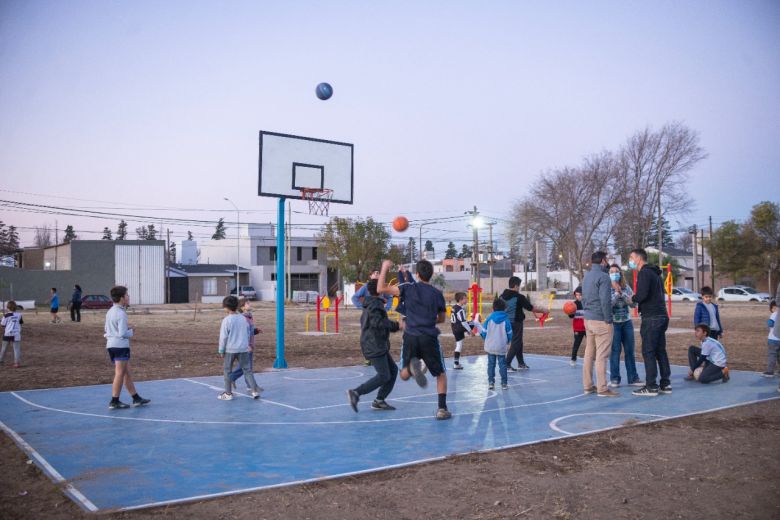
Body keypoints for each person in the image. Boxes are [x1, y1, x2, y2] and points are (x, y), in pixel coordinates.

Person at [377, 258, 451, 420]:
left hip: (410, 336)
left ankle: (410, 369)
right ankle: (442, 409)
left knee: (403, 374)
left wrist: (384, 267)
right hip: (428, 337)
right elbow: (441, 319)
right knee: (440, 374)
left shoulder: (407, 288)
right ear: (431, 275)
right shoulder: (437, 294)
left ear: (417, 274)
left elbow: (380, 288)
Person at [347, 279, 402, 412]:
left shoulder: (371, 303)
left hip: (375, 344)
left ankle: (379, 400)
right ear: (379, 290)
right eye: (383, 287)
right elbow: (379, 323)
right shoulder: (375, 305)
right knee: (384, 375)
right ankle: (356, 392)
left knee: (393, 371)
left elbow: (377, 322)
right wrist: (397, 325)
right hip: (374, 345)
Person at [630, 248, 672, 396]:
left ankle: (651, 386)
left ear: (639, 259)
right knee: (660, 350)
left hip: (652, 318)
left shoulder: (645, 273)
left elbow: (642, 295)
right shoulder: (655, 273)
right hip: (662, 316)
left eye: (632, 258)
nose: (631, 261)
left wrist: (631, 299)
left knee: (648, 351)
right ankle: (665, 383)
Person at [104, 286, 150, 409]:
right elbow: (122, 334)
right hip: (120, 346)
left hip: (111, 345)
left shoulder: (110, 311)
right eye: (127, 295)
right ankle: (114, 401)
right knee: (120, 373)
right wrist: (131, 331)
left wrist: (125, 328)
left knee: (126, 373)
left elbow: (108, 329)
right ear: (121, 298)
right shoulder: (121, 313)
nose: (128, 297)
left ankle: (136, 398)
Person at [581, 251, 619, 397]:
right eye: (607, 259)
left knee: (589, 354)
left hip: (588, 319)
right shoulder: (604, 277)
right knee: (601, 356)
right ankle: (602, 388)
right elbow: (605, 301)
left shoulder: (587, 276)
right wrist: (608, 319)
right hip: (601, 320)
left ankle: (588, 386)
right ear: (603, 261)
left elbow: (583, 299)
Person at [217, 295, 261, 401]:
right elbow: (247, 333)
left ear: (226, 308)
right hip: (243, 349)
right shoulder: (243, 319)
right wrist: (248, 345)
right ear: (237, 306)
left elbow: (223, 337)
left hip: (230, 350)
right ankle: (254, 391)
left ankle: (228, 394)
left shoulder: (226, 320)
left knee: (227, 370)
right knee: (247, 370)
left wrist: (221, 350)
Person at [501, 276, 547, 371]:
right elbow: (531, 308)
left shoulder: (502, 296)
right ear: (516, 286)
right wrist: (543, 310)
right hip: (516, 322)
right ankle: (506, 364)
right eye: (519, 285)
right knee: (516, 343)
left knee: (518, 343)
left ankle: (521, 363)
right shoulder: (519, 297)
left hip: (505, 323)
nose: (520, 288)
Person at [608, 264, 643, 387]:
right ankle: (615, 378)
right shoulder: (607, 287)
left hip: (627, 322)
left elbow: (633, 304)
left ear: (620, 273)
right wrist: (616, 294)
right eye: (612, 272)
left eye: (616, 271)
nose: (614, 273)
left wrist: (623, 294)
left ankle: (633, 378)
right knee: (615, 351)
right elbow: (608, 305)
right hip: (614, 324)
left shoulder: (626, 287)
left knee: (629, 350)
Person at [228, 298, 263, 391]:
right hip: (246, 346)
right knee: (246, 367)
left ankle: (249, 385)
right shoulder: (243, 318)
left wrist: (255, 331)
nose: (249, 304)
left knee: (247, 367)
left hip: (250, 345)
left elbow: (249, 331)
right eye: (247, 303)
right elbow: (243, 333)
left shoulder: (249, 316)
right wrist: (247, 345)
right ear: (242, 307)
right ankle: (232, 379)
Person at [480, 298, 512, 390]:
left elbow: (483, 332)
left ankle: (491, 382)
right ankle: (504, 383)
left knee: (491, 364)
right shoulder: (506, 320)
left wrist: (486, 339)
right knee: (502, 365)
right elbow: (510, 333)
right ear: (504, 308)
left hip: (490, 346)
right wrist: (508, 341)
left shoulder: (489, 319)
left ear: (493, 308)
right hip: (501, 346)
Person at [450, 291, 477, 370]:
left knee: (459, 345)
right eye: (465, 299)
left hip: (454, 328)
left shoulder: (454, 307)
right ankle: (456, 363)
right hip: (459, 328)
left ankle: (456, 363)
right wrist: (470, 331)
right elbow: (464, 322)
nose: (467, 300)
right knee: (474, 322)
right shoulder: (460, 310)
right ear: (461, 300)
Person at [1, 301, 24, 368]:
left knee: (4, 348)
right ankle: (17, 363)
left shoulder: (6, 315)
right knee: (16, 349)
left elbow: (2, 325)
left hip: (7, 334)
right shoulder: (19, 315)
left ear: (8, 307)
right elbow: (20, 323)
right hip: (16, 334)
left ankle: (1, 360)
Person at [566, 286, 586, 367]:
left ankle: (591, 359)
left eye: (580, 295)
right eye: (577, 295)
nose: (578, 296)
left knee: (591, 345)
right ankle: (573, 359)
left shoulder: (587, 304)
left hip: (587, 328)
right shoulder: (573, 305)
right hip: (578, 328)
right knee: (576, 344)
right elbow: (571, 316)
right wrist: (569, 312)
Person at [763, 300, 779, 378]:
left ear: (773, 307)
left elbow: (770, 324)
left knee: (772, 355)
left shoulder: (774, 314)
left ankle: (770, 372)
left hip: (773, 339)